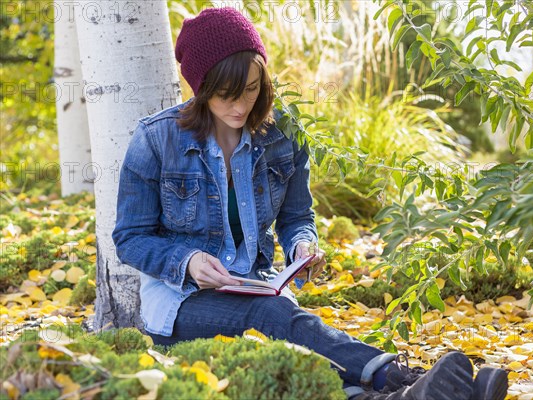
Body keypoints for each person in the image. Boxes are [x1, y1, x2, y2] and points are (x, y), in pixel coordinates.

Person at [112, 7, 508, 400]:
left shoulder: (280, 134)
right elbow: (130, 238)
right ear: (201, 88)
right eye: (226, 95)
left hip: (257, 287)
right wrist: (189, 261)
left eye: (251, 89)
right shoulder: (155, 140)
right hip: (181, 304)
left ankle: (397, 396)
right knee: (274, 319)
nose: (241, 105)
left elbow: (297, 215)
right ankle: (400, 377)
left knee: (291, 350)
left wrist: (303, 243)